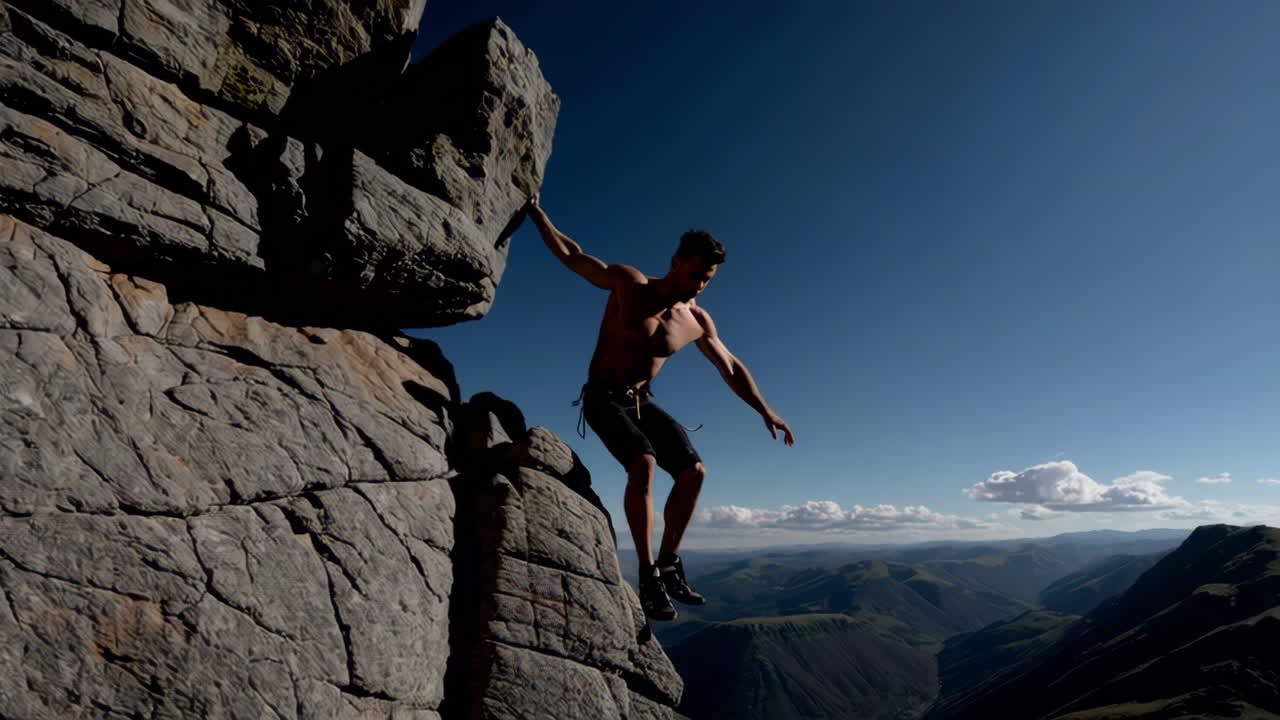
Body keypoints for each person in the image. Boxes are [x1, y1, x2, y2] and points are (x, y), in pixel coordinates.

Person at [526, 193, 795, 621]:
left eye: (707, 278)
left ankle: (669, 562)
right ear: (676, 261)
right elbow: (573, 257)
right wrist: (537, 215)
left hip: (640, 401)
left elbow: (730, 367)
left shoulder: (697, 320)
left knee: (694, 472)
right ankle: (648, 575)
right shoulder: (631, 285)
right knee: (644, 462)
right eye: (695, 274)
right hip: (601, 396)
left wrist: (766, 410)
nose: (700, 285)